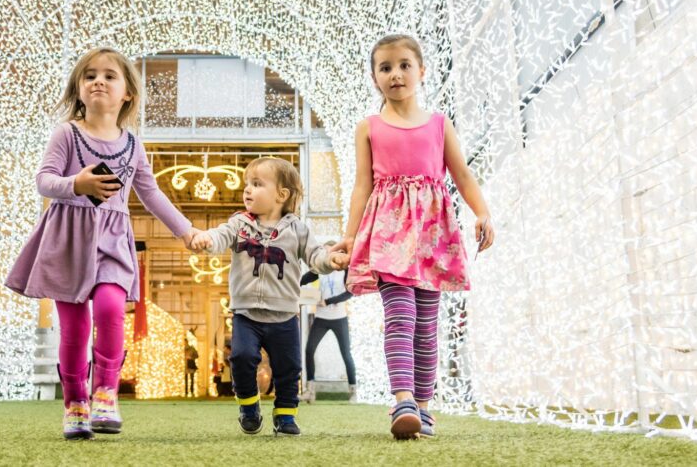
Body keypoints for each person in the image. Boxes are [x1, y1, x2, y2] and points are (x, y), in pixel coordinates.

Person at [5, 47, 199, 440]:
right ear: (78, 88)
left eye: (110, 76)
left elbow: (152, 195)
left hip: (112, 241)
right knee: (74, 329)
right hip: (67, 242)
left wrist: (187, 231)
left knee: (111, 308)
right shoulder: (67, 133)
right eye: (90, 75)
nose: (99, 81)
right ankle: (75, 403)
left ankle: (106, 392)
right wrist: (77, 184)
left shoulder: (133, 144)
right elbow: (44, 180)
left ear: (127, 92)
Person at [334, 34, 495, 440]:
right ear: (374, 78)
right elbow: (361, 185)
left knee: (426, 325)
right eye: (385, 68)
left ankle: (423, 407)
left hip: (432, 235)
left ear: (421, 71)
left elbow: (461, 174)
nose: (395, 74)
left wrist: (482, 212)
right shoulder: (368, 128)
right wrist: (350, 237)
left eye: (405, 65)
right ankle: (402, 399)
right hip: (388, 235)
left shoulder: (439, 124)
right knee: (400, 317)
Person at [190, 157, 348, 436]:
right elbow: (220, 236)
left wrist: (330, 260)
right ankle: (249, 406)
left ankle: (285, 415)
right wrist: (207, 240)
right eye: (246, 185)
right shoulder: (240, 224)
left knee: (289, 367)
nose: (247, 190)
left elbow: (315, 257)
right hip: (246, 313)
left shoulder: (297, 229)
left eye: (257, 184)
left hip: (284, 315)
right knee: (240, 357)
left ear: (281, 195)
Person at [299, 268, 356, 403]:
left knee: (346, 354)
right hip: (321, 317)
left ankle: (353, 391)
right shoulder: (321, 270)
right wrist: (315, 268)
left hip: (339, 318)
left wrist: (329, 301)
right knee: (309, 350)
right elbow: (302, 280)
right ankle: (310, 391)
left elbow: (349, 293)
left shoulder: (345, 271)